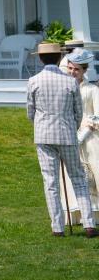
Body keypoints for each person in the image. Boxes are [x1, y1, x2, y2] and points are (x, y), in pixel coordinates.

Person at [26, 43, 97, 237]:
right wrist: (70, 127)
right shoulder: (70, 82)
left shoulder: (33, 80)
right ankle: (89, 224)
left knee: (50, 182)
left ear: (40, 59)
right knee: (79, 179)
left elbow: (30, 113)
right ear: (60, 59)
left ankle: (57, 227)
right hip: (66, 135)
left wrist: (42, 125)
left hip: (43, 136)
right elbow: (78, 112)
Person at [59, 48, 99, 226]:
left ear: (84, 71)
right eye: (70, 68)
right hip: (69, 136)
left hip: (90, 138)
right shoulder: (64, 88)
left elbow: (96, 114)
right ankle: (76, 214)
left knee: (93, 172)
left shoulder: (92, 89)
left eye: (76, 69)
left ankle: (95, 213)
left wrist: (84, 131)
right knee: (71, 175)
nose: (73, 72)